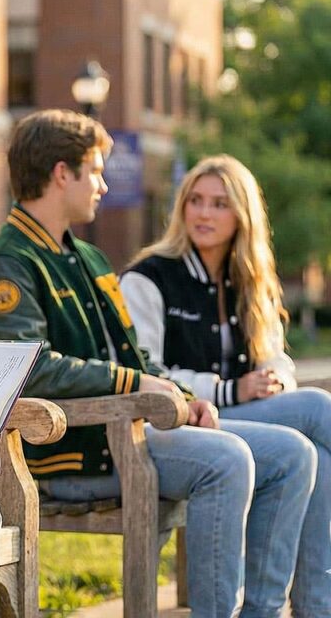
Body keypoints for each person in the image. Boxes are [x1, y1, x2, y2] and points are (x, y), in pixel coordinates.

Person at [0, 109, 316, 617]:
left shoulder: (86, 257)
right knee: (228, 460)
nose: (103, 186)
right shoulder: (11, 262)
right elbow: (31, 370)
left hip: (127, 429)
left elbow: (137, 355)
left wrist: (188, 399)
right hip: (73, 447)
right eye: (95, 171)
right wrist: (137, 384)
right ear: (62, 174)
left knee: (292, 454)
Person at [121, 153, 331, 616]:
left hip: (241, 419)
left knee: (320, 439)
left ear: (242, 215)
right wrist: (230, 390)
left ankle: (315, 606)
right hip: (185, 421)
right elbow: (146, 373)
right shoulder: (149, 277)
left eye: (219, 204)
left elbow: (277, 355)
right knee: (317, 415)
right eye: (195, 201)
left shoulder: (249, 279)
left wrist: (276, 377)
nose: (203, 213)